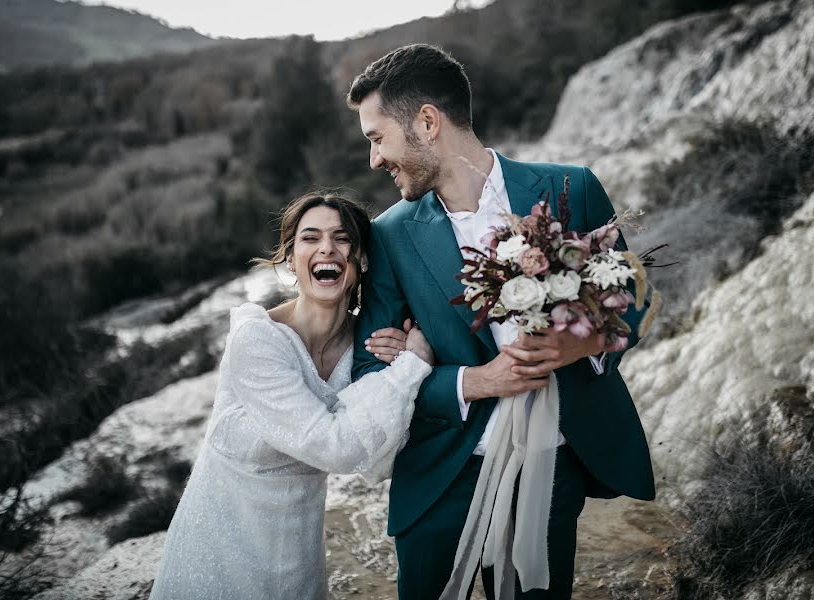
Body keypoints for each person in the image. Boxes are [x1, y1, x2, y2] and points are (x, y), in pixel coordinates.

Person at [347, 44, 655, 599]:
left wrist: (578, 346)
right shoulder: (389, 234)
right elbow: (370, 367)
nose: (374, 159)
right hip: (441, 473)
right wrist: (475, 381)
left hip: (551, 464)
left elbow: (630, 300)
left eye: (377, 138)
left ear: (427, 121)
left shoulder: (572, 189)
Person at [149, 192, 434, 600]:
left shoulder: (366, 348)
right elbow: (337, 446)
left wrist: (403, 356)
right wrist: (411, 368)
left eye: (342, 238)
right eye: (310, 238)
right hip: (218, 547)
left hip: (297, 557)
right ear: (288, 256)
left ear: (361, 259)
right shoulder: (258, 341)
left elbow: (376, 460)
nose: (326, 248)